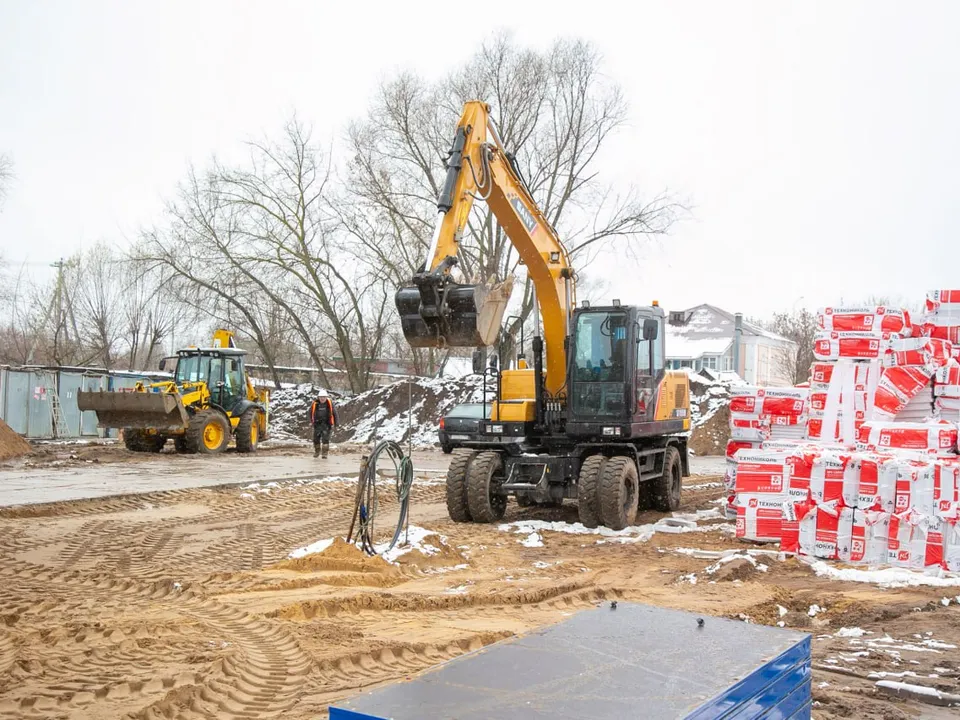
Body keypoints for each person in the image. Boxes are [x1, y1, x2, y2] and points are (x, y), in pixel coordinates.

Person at [309, 389, 338, 458]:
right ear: (318, 397)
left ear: (326, 397)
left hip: (326, 424)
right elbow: (310, 413)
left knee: (325, 439)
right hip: (317, 424)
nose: (322, 398)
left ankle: (324, 454)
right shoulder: (315, 404)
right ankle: (317, 452)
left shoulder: (329, 404)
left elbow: (335, 413)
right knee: (316, 439)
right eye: (321, 397)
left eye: (324, 397)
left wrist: (337, 423)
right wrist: (311, 421)